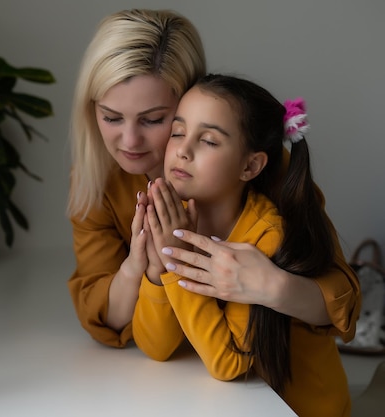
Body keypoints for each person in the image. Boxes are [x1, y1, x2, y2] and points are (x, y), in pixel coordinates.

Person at [66, 8, 360, 349]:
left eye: (153, 120)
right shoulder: (95, 178)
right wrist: (140, 266)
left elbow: (343, 302)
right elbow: (103, 317)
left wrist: (273, 287)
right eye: (112, 117)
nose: (130, 142)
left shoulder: (262, 166)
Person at [132, 74, 350, 416]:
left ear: (250, 166)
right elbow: (156, 347)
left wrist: (176, 261)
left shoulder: (266, 236)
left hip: (301, 408)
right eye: (177, 132)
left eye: (208, 141)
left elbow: (229, 363)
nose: (183, 151)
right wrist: (161, 265)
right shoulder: (172, 220)